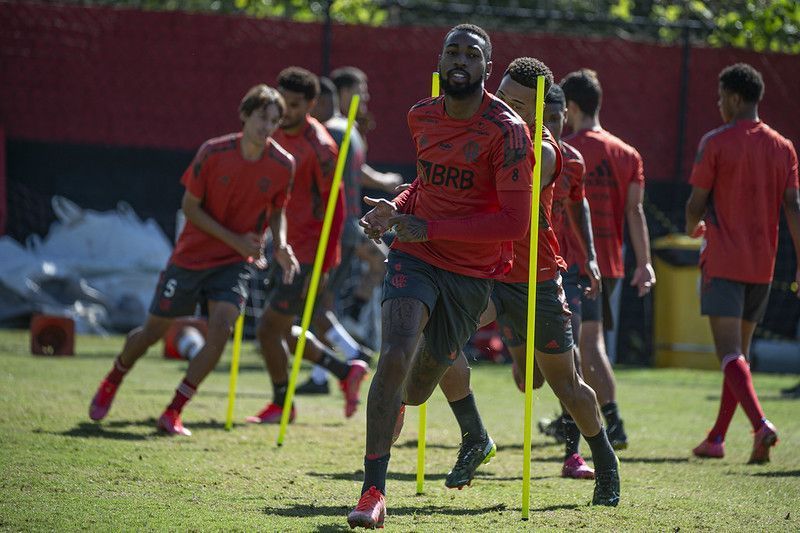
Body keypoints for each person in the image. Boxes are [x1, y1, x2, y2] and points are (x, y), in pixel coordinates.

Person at [346, 24, 536, 529]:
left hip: (472, 272)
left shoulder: (510, 131)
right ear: (440, 60)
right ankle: (372, 492)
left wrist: (424, 220)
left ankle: (406, 407)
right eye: (452, 50)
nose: (460, 59)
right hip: (415, 254)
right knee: (394, 352)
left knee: (418, 384)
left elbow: (516, 225)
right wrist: (397, 207)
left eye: (471, 54)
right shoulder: (420, 115)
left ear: (486, 69)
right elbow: (424, 187)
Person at [431, 58, 619, 504]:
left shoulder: (545, 149)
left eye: (517, 103)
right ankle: (475, 435)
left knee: (566, 385)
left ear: (538, 112)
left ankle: (606, 464)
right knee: (435, 339)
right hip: (484, 274)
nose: (502, 106)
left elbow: (510, 182)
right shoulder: (482, 128)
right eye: (501, 95)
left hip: (534, 278)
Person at [88, 85, 299, 436]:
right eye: (262, 117)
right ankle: (114, 377)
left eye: (275, 121)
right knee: (152, 333)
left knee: (222, 328)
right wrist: (235, 239)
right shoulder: (213, 152)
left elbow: (278, 210)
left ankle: (173, 411)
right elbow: (189, 208)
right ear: (245, 114)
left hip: (235, 262)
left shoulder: (282, 164)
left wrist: (281, 244)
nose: (268, 126)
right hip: (191, 257)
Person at [685, 62, 800, 463]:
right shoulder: (783, 147)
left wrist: (692, 225)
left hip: (723, 264)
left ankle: (760, 425)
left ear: (734, 98)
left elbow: (695, 205)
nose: (718, 105)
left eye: (720, 98)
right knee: (740, 360)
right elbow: (795, 208)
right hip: (763, 267)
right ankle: (716, 438)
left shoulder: (716, 142)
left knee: (729, 354)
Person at [246, 67, 368, 425]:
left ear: (312, 105)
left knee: (270, 329)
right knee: (282, 329)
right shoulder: (274, 130)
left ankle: (283, 404)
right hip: (282, 245)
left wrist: (326, 263)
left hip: (307, 255)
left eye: (295, 105)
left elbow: (337, 207)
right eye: (282, 102)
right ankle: (346, 371)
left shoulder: (322, 148)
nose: (286, 110)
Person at [560, 68, 656, 449]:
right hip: (610, 263)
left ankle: (610, 421)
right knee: (582, 343)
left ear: (571, 106)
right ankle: (581, 418)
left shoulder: (565, 149)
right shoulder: (628, 154)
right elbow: (635, 212)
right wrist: (644, 263)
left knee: (583, 345)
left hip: (574, 261)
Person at [542, 82, 603, 479]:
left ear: (567, 117)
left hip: (559, 271)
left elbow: (579, 207)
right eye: (540, 118)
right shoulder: (515, 153)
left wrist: (592, 257)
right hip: (508, 271)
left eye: (553, 118)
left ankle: (573, 455)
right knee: (526, 377)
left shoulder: (574, 160)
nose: (547, 126)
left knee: (574, 361)